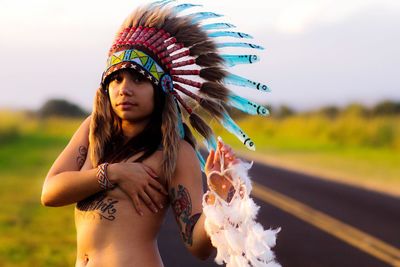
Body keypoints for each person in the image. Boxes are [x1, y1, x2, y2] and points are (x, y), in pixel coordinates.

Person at [41, 1, 278, 266]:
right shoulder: (94, 129)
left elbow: (197, 247)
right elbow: (50, 193)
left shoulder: (175, 152)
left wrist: (219, 201)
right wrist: (114, 173)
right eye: (116, 79)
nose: (124, 89)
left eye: (139, 79)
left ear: (161, 89)